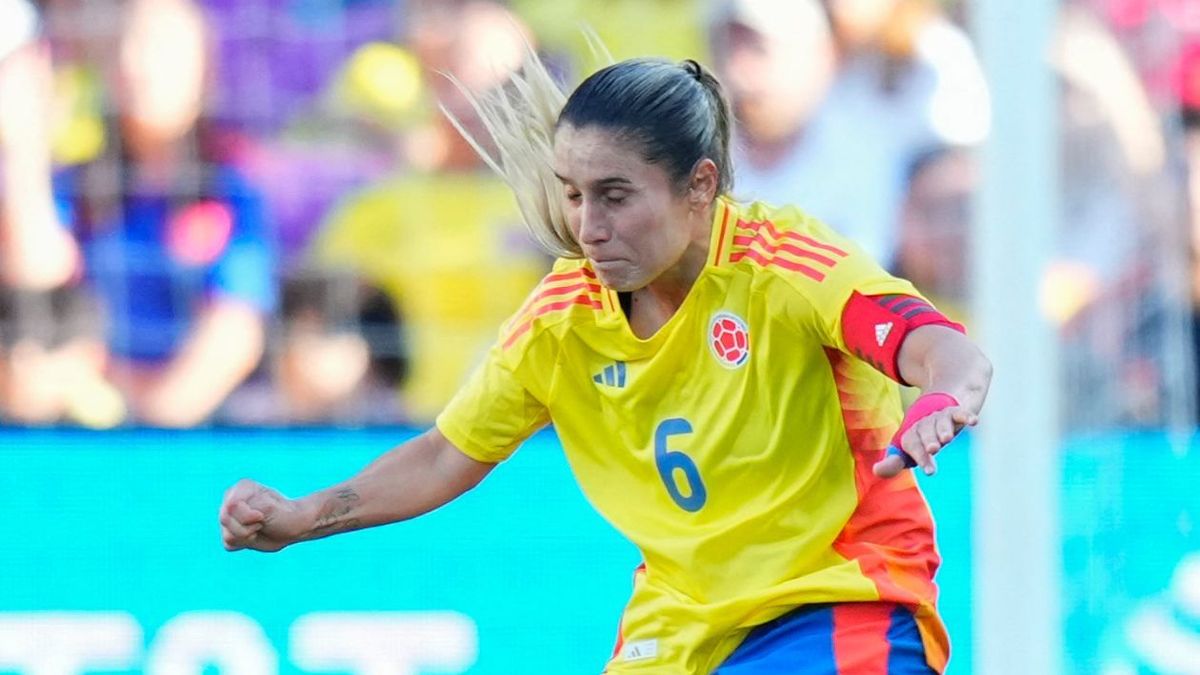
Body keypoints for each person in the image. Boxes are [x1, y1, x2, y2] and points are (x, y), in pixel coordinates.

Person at [220, 54, 992, 674]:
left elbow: (938, 346)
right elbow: (443, 455)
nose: (588, 226)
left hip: (835, 601)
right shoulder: (563, 318)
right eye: (574, 195)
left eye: (615, 195)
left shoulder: (784, 266)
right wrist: (303, 517)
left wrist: (944, 394)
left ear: (700, 186)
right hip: (682, 624)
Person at [55, 0, 277, 428]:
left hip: (190, 433)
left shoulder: (232, 193)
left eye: (161, 48)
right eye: (124, 45)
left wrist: (149, 426)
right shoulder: (74, 189)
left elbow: (235, 334)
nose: (137, 63)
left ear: (204, 73)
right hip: (78, 425)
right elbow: (43, 299)